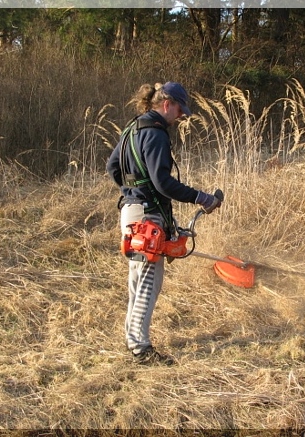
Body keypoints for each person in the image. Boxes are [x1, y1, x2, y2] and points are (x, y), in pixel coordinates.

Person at [106, 82, 222, 365]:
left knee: (138, 279)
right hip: (148, 216)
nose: (181, 116)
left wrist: (133, 191)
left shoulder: (131, 129)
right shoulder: (156, 134)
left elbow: (113, 168)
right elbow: (164, 182)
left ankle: (134, 340)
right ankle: (141, 349)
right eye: (180, 109)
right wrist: (201, 197)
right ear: (167, 103)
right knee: (149, 282)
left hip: (130, 211)